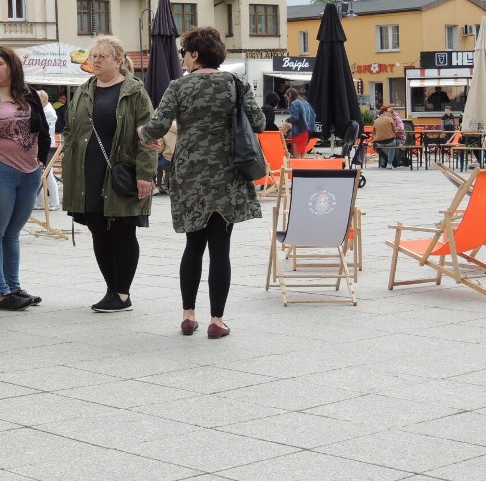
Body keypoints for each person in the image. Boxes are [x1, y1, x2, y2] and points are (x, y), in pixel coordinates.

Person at [138, 26, 265, 339]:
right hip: (228, 173)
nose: (183, 59)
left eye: (184, 53)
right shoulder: (236, 83)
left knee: (193, 246)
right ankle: (217, 321)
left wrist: (141, 135)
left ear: (195, 55)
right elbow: (259, 122)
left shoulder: (179, 86)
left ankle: (188, 315)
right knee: (221, 249)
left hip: (190, 173)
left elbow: (156, 127)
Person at [61, 35, 156, 312]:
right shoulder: (85, 89)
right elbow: (69, 126)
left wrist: (145, 173)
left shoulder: (134, 91)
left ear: (118, 60)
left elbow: (149, 134)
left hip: (121, 169)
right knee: (97, 228)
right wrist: (69, 146)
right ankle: (110, 288)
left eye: (103, 56)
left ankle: (123, 294)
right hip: (87, 171)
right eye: (94, 56)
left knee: (123, 228)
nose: (97, 60)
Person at [0, 47, 50, 311]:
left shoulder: (27, 93)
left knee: (13, 233)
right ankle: (1, 293)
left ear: (12, 66)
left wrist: (40, 159)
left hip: (30, 172)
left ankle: (14, 287)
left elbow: (43, 127)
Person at [34, 89, 60, 210]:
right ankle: (41, 202)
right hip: (42, 145)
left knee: (48, 174)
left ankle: (54, 203)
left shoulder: (48, 112)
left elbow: (42, 129)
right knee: (40, 173)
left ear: (43, 100)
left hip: (48, 146)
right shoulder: (44, 109)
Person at [279, 88, 315, 158]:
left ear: (289, 95)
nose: (287, 99)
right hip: (305, 132)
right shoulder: (305, 102)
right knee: (302, 156)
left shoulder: (294, 103)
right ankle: (303, 169)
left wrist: (286, 120)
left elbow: (295, 118)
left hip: (298, 132)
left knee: (297, 157)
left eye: (287, 97)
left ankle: (298, 169)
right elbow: (313, 115)